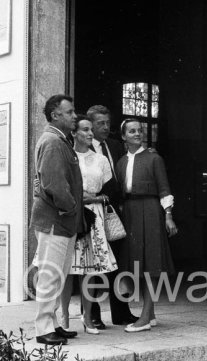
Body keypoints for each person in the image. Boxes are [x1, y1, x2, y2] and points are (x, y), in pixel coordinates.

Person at [30, 94, 84, 345]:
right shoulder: (53, 142)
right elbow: (54, 185)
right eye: (70, 112)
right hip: (56, 221)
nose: (75, 116)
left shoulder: (59, 140)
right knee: (51, 275)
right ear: (55, 115)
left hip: (60, 221)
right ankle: (43, 329)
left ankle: (52, 323)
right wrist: (72, 207)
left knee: (57, 275)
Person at [116, 118, 178, 332]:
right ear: (124, 136)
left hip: (151, 211)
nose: (137, 134)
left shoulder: (154, 158)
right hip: (130, 213)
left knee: (151, 264)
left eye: (139, 130)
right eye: (132, 131)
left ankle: (144, 316)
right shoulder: (121, 162)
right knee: (137, 265)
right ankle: (150, 314)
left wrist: (168, 215)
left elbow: (164, 188)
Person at [60, 115, 119, 335]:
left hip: (93, 217)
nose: (90, 133)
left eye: (91, 130)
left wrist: (93, 198)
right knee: (67, 269)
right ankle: (64, 317)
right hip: (71, 213)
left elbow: (110, 192)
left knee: (89, 270)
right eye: (85, 130)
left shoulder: (101, 160)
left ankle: (88, 318)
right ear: (74, 133)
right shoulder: (66, 155)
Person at [86, 105, 138, 328]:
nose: (105, 127)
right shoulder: (81, 147)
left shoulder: (116, 146)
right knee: (94, 263)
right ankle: (93, 314)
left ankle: (121, 312)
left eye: (107, 123)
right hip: (91, 211)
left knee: (119, 263)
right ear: (90, 125)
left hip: (114, 212)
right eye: (100, 123)